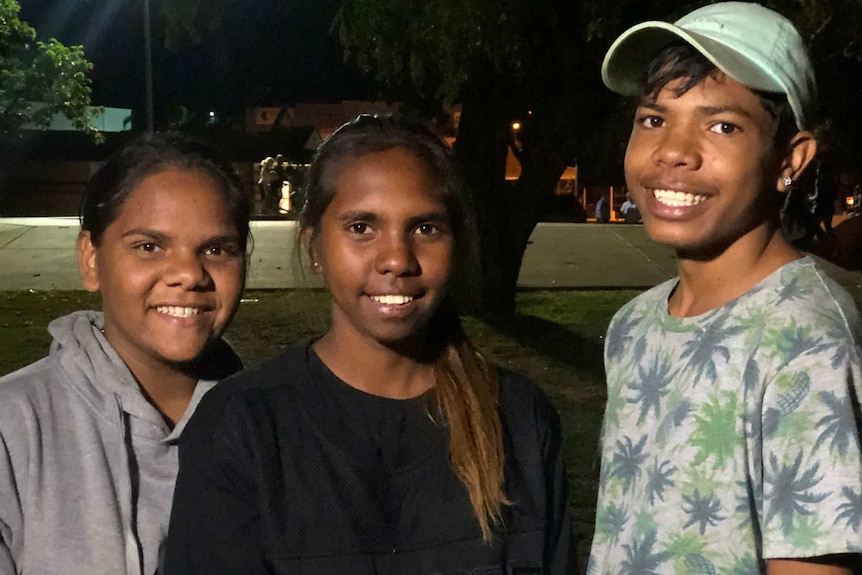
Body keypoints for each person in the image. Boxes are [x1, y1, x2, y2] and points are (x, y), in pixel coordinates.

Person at [164, 115, 573, 574]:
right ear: (315, 246)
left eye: (425, 228)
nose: (397, 259)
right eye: (361, 227)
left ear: (457, 248)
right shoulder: (244, 429)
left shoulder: (518, 420)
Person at [589, 3, 862, 574]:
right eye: (654, 119)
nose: (674, 151)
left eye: (723, 126)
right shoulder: (631, 326)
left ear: (790, 160)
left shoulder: (807, 342)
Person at [0, 133, 251, 575]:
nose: (189, 274)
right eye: (149, 246)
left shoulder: (279, 427)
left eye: (215, 249)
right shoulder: (11, 430)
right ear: (91, 260)